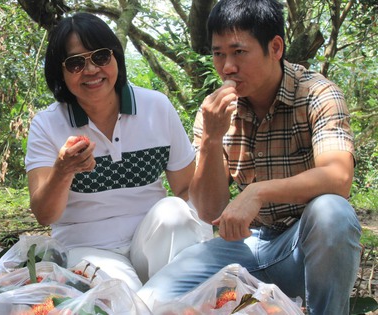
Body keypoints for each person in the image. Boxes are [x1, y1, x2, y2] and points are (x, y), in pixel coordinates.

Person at [137, 0, 362, 314]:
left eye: (238, 52)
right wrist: (213, 138)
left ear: (275, 47)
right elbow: (208, 209)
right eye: (218, 53)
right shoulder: (215, 111)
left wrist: (259, 191)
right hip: (246, 246)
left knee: (332, 212)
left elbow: (339, 178)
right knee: (151, 301)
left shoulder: (317, 94)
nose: (227, 66)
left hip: (305, 246)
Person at [24, 12, 212, 291]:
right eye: (76, 63)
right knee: (126, 298)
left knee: (176, 212)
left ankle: (177, 294)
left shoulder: (156, 107)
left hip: (150, 238)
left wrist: (201, 243)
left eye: (100, 57)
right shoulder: (47, 125)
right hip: (87, 247)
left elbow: (186, 189)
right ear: (60, 73)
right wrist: (63, 170)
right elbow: (45, 215)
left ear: (115, 58)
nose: (91, 70)